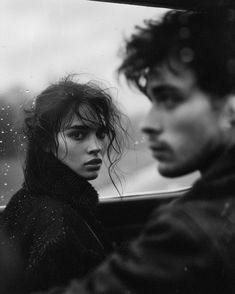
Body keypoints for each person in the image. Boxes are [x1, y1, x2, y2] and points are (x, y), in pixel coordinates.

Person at [36, 9, 235, 294]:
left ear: (231, 105)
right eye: (152, 100)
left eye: (169, 98)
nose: (150, 125)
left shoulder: (190, 231)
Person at [1, 75, 127, 293]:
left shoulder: (26, 199)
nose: (96, 146)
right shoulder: (61, 227)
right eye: (78, 134)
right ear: (46, 142)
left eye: (101, 133)